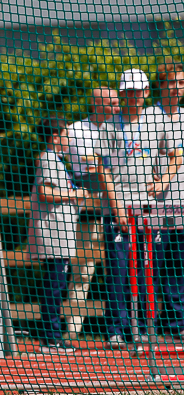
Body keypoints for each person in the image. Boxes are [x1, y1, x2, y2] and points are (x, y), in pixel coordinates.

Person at [98, 69, 181, 349]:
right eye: (129, 91)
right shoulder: (109, 126)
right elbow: (103, 170)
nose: (134, 96)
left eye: (139, 90)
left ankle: (145, 328)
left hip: (149, 208)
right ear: (122, 93)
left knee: (149, 270)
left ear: (146, 92)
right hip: (119, 208)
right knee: (119, 270)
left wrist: (163, 182)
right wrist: (117, 208)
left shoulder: (157, 121)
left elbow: (177, 154)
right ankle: (117, 330)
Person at [27, 118, 91, 353]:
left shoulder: (56, 160)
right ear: (55, 137)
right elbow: (45, 192)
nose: (69, 139)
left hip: (60, 232)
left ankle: (51, 336)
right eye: (65, 135)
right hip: (53, 232)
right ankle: (51, 338)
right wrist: (74, 194)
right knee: (55, 285)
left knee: (57, 284)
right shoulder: (48, 159)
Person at [63, 87, 120, 337]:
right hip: (88, 210)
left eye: (118, 102)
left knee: (120, 269)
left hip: (120, 209)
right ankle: (73, 332)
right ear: (97, 103)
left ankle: (122, 330)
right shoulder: (75, 130)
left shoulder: (124, 128)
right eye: (112, 103)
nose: (118, 106)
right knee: (82, 271)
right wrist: (73, 188)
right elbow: (56, 160)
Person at [147, 61, 184, 340]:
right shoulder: (149, 116)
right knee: (152, 267)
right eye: (172, 82)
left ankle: (175, 323)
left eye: (181, 83)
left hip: (181, 204)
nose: (177, 88)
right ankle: (144, 325)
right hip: (154, 205)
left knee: (178, 267)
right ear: (161, 85)